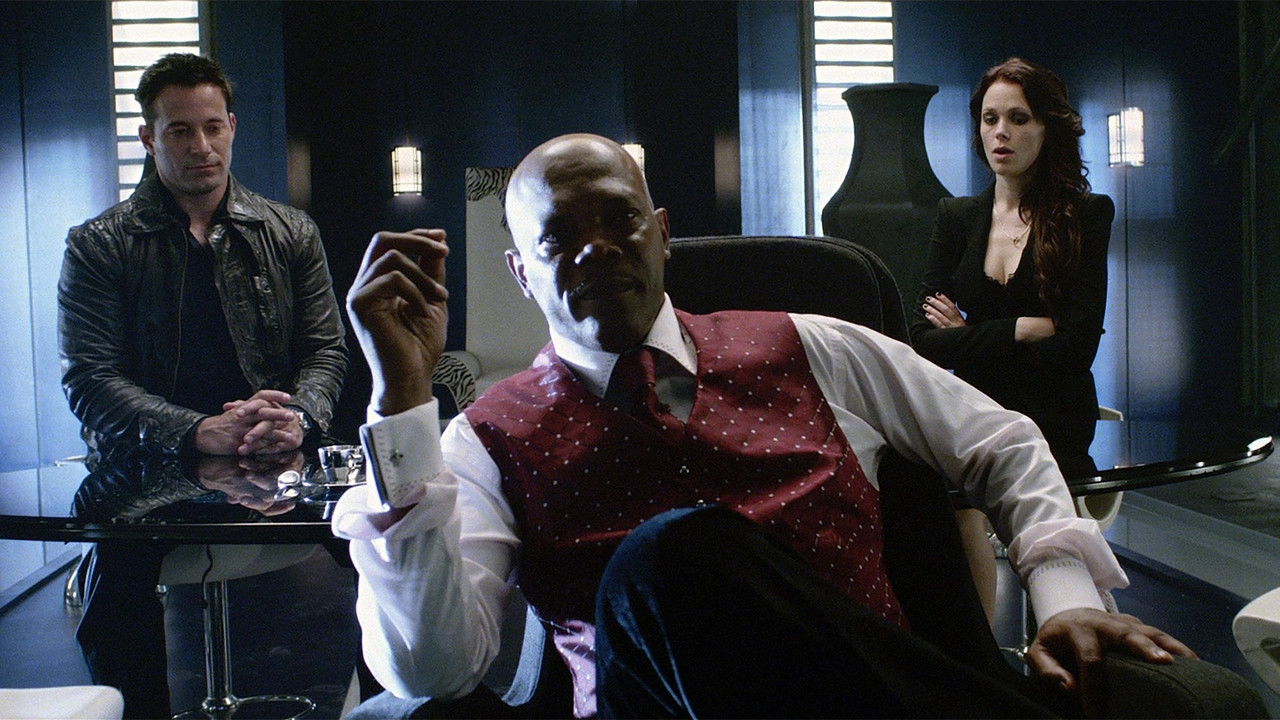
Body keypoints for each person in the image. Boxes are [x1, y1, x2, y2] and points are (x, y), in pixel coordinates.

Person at [334, 133, 1189, 718]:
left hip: (863, 701)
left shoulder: (810, 346)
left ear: (661, 235)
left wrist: (1063, 597)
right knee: (671, 558)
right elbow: (431, 667)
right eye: (559, 238)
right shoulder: (485, 439)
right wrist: (399, 401)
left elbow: (1001, 440)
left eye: (619, 219)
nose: (597, 249)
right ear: (523, 274)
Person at [57, 53, 347, 717]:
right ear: (149, 138)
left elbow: (325, 350)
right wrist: (195, 430)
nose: (201, 146)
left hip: (274, 457)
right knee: (114, 601)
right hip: (147, 469)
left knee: (385, 543)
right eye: (180, 131)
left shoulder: (290, 231)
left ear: (232, 127)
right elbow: (89, 378)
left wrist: (298, 418)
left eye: (213, 127)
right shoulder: (99, 244)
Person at [912, 57, 1113, 480]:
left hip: (1054, 424)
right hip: (974, 417)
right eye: (990, 119)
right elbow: (923, 341)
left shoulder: (1086, 215)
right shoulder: (956, 216)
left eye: (1018, 119)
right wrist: (1022, 328)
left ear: (1047, 128)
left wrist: (966, 337)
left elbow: (1078, 349)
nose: (1000, 132)